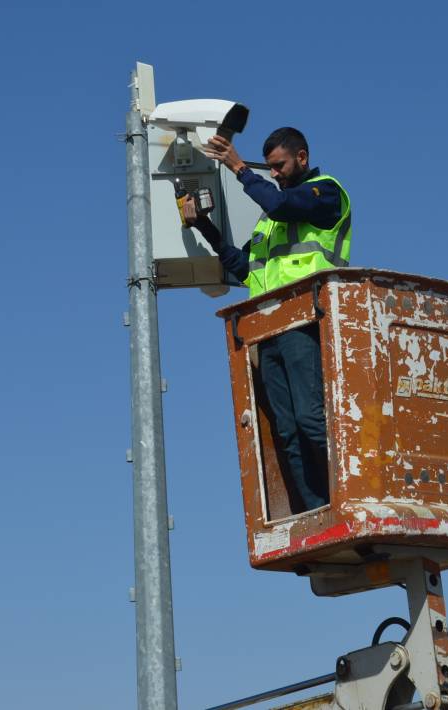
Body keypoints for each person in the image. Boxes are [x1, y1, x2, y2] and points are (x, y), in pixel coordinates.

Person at [183, 127, 352, 512]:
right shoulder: (270, 221)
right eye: (270, 169)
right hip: (269, 329)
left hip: (304, 319)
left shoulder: (325, 192)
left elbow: (279, 204)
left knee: (311, 419)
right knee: (286, 430)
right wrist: (202, 226)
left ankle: (348, 498)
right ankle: (316, 510)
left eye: (279, 166)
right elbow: (244, 268)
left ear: (302, 158)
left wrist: (239, 168)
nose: (274, 173)